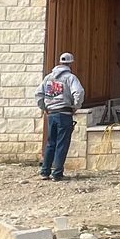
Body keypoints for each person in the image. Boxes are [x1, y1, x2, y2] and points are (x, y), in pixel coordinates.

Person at [38, 52, 85, 181]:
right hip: (64, 113)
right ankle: (57, 173)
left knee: (50, 143)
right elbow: (79, 92)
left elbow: (39, 94)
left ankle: (45, 171)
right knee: (62, 144)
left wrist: (44, 107)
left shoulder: (48, 78)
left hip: (51, 114)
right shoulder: (70, 78)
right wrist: (76, 106)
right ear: (70, 64)